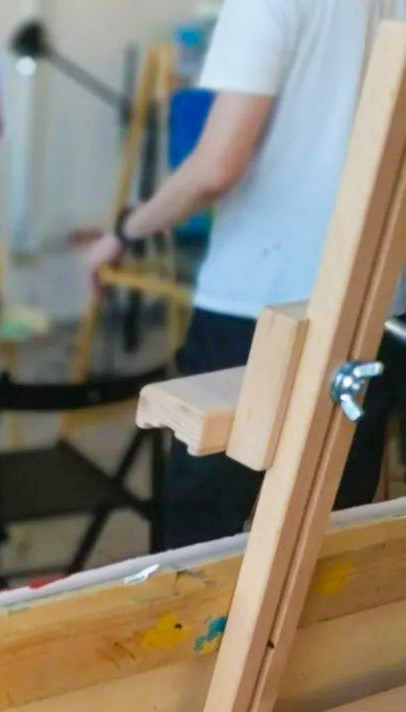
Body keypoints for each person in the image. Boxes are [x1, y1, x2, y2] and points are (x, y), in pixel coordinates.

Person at [86, 0, 406, 549]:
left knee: (202, 537)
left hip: (261, 305)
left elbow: (216, 167)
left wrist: (124, 233)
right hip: (378, 301)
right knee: (333, 527)